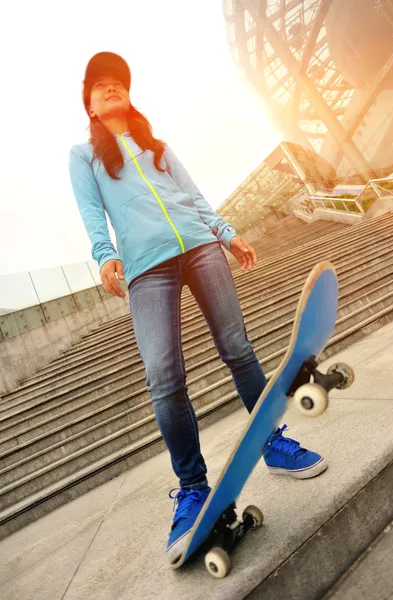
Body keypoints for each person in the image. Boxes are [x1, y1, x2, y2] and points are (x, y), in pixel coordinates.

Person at [69, 51, 327, 564]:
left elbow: (192, 195)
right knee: (164, 377)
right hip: (146, 268)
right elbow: (91, 211)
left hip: (199, 247)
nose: (111, 88)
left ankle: (272, 442)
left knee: (237, 347)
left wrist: (227, 234)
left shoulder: (157, 146)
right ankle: (192, 490)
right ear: (91, 106)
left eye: (117, 82)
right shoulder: (84, 155)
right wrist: (105, 255)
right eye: (100, 86)